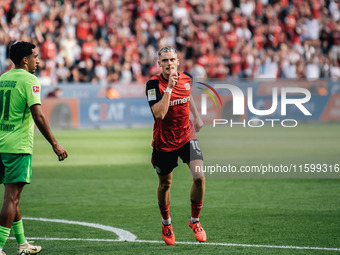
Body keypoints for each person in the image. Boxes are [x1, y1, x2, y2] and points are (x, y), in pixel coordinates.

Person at [0, 41, 68, 255]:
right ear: (25, 59)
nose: (38, 61)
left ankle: (22, 246)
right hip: (18, 146)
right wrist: (55, 144)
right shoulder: (30, 80)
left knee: (13, 196)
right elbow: (38, 115)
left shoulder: (2, 79)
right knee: (11, 198)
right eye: (35, 57)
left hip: (1, 144)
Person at [145, 46, 206, 246]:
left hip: (187, 135)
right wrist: (170, 87)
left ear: (178, 61)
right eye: (165, 61)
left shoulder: (187, 78)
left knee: (199, 177)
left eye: (172, 60)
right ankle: (166, 223)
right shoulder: (153, 84)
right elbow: (159, 114)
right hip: (164, 142)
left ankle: (194, 221)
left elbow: (188, 97)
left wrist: (196, 116)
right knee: (165, 184)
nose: (169, 63)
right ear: (159, 64)